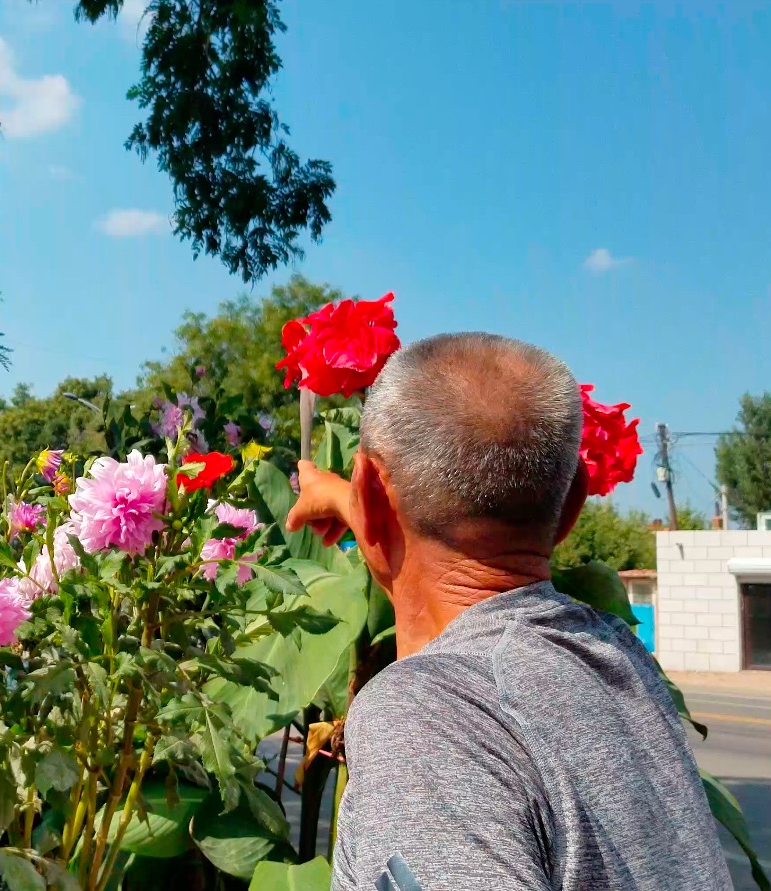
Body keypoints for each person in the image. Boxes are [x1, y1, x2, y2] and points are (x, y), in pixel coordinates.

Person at [285, 333, 731, 891]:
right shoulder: (619, 660)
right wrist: (358, 500)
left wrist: (369, 499)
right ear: (571, 508)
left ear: (372, 498)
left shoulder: (428, 718)